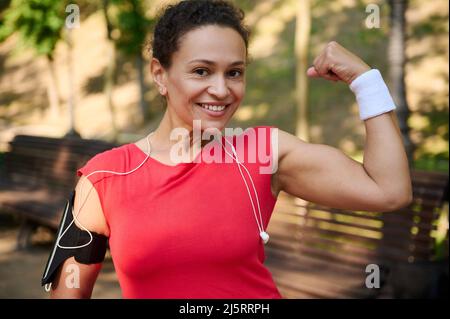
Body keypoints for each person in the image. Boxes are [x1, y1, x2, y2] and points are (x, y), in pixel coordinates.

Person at [46, 0, 412, 299]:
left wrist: (365, 82)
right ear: (160, 74)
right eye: (202, 71)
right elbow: (68, 293)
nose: (222, 90)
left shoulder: (264, 153)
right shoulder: (105, 176)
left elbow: (388, 190)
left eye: (234, 72)